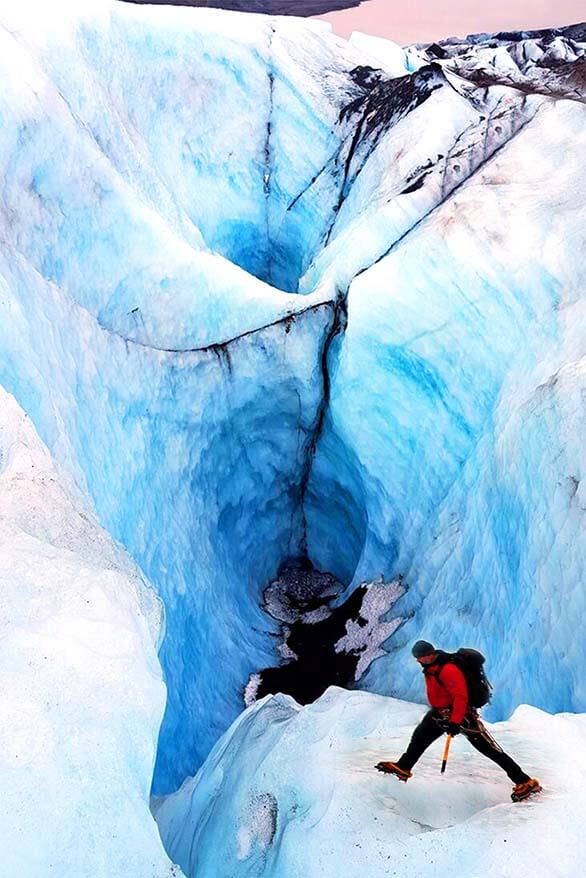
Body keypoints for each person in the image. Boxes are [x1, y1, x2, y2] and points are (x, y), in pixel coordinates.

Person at [376, 640, 541, 801]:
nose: (417, 660)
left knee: (489, 749)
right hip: (439, 714)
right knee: (419, 738)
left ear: (428, 655)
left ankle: (525, 781)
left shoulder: (448, 669)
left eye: (419, 657)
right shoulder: (431, 667)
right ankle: (404, 767)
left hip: (461, 716)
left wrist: (455, 722)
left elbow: (460, 697)